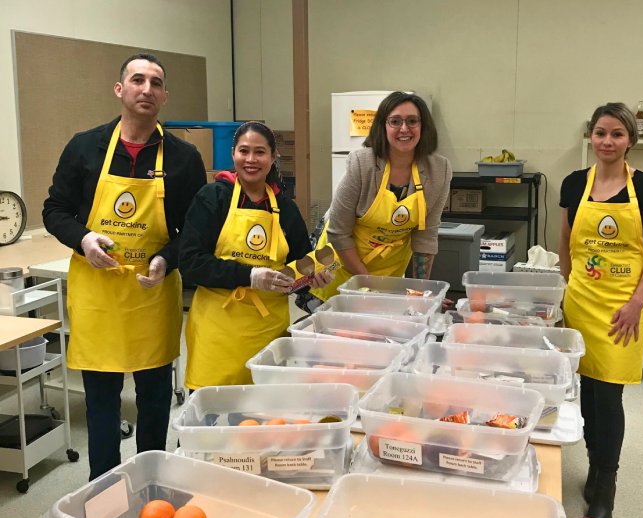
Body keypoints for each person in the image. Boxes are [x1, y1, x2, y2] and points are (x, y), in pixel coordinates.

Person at [43, 53, 207, 481]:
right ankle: (104, 491)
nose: (146, 89)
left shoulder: (183, 158)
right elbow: (55, 210)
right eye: (138, 80)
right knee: (102, 404)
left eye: (156, 83)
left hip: (151, 296)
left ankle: (150, 483)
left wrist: (165, 259)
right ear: (120, 90)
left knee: (154, 401)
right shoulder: (84, 147)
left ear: (165, 96)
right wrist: (82, 238)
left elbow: (194, 229)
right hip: (98, 295)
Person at [559, 102, 643, 518]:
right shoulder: (573, 184)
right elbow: (566, 242)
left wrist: (637, 302)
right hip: (581, 301)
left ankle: (607, 479)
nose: (607, 141)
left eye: (617, 134)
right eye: (601, 133)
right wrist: (569, 288)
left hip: (624, 304)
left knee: (609, 394)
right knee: (585, 391)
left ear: (629, 140)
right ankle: (593, 463)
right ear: (591, 136)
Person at [179, 121, 333, 389]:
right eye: (244, 151)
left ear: (273, 158)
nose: (251, 160)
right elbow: (191, 264)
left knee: (261, 415)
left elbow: (296, 268)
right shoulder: (213, 197)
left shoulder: (286, 209)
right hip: (217, 332)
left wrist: (312, 278)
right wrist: (250, 276)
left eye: (260, 152)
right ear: (233, 154)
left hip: (267, 332)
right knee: (210, 417)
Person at [309, 91, 452, 303]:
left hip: (389, 271)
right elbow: (339, 234)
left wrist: (421, 293)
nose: (404, 129)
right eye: (395, 121)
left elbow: (426, 237)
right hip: (341, 267)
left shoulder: (438, 170)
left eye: (412, 121)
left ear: (423, 126)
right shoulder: (362, 164)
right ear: (383, 126)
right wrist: (369, 286)